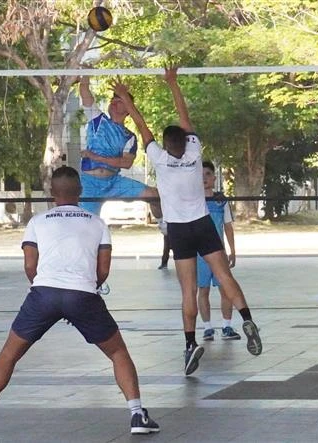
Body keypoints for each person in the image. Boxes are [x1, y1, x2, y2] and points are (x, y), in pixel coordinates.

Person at [0, 166, 159, 436]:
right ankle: (138, 415)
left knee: (9, 354)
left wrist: (48, 292)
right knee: (117, 352)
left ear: (51, 193)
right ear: (80, 191)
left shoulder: (37, 222)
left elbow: (30, 266)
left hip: (43, 294)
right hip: (83, 295)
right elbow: (103, 270)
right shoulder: (96, 223)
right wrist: (82, 292)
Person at [115, 67, 262, 376]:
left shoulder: (158, 156)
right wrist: (173, 83)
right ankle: (246, 317)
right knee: (224, 277)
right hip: (203, 223)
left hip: (180, 231)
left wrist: (126, 98)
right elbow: (185, 117)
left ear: (166, 145)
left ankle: (189, 344)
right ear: (186, 141)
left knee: (188, 291)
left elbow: (141, 124)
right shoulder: (195, 151)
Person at [78, 76, 161, 218]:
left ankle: (164, 226)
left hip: (114, 182)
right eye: (112, 100)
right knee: (87, 221)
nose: (113, 103)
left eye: (119, 101)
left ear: (128, 110)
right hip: (89, 183)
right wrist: (86, 73)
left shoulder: (130, 137)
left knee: (154, 195)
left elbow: (126, 163)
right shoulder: (98, 119)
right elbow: (84, 91)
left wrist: (96, 157)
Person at [197, 161, 241, 341]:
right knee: (203, 290)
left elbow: (228, 227)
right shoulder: (194, 201)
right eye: (200, 175)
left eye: (208, 174)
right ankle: (207, 328)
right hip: (200, 254)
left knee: (225, 289)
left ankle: (227, 326)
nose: (204, 178)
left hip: (219, 252)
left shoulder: (221, 201)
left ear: (214, 177)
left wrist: (232, 251)